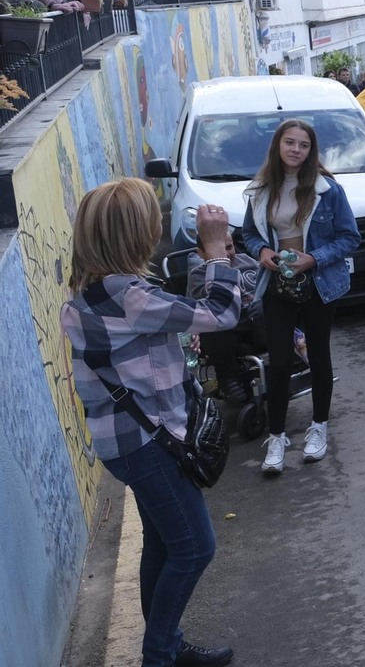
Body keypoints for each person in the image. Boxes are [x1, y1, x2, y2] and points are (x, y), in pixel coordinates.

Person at [60, 179, 239, 667]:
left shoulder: (91, 289)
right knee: (194, 548)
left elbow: (140, 347)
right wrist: (217, 250)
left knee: (164, 542)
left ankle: (170, 645)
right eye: (152, 217)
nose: (161, 221)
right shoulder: (128, 296)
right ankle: (159, 656)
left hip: (125, 440)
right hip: (146, 443)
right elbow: (222, 313)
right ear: (134, 234)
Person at [240, 119, 362, 476]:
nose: (296, 150)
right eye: (289, 143)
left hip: (320, 283)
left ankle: (318, 428)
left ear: (312, 151)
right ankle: (276, 437)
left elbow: (349, 237)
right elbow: (248, 233)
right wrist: (262, 251)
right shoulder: (261, 189)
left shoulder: (328, 190)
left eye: (303, 145)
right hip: (278, 283)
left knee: (318, 356)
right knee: (278, 362)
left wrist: (315, 258)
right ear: (278, 146)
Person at [187, 234, 266, 405]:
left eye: (230, 247)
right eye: (220, 250)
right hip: (228, 329)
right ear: (201, 253)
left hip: (258, 322)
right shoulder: (199, 275)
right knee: (216, 324)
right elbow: (203, 311)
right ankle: (228, 380)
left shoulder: (248, 261)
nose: (228, 254)